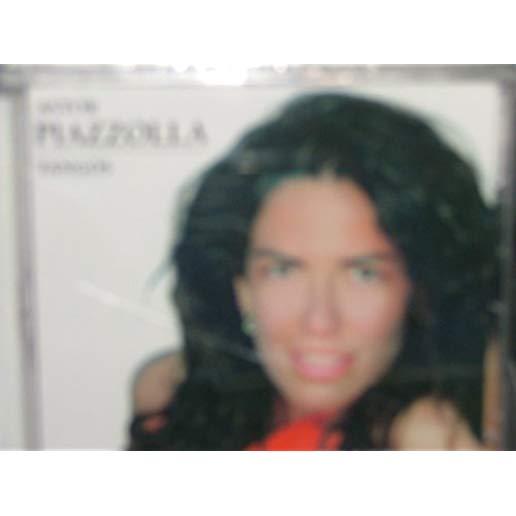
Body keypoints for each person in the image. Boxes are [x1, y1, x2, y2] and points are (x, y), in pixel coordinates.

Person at [128, 92, 499, 450]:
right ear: (242, 289)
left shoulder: (441, 439)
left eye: (363, 274)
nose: (320, 321)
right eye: (283, 270)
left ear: (417, 291)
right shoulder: (172, 400)